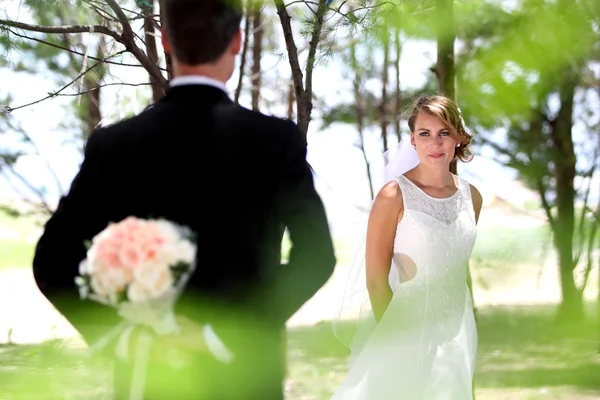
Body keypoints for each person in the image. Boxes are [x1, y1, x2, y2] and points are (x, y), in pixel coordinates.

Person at [32, 0, 336, 398]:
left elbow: (52, 261)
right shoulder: (273, 141)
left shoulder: (116, 144)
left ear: (166, 41)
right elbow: (316, 256)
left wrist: (122, 337)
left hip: (149, 379)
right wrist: (223, 332)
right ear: (237, 41)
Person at [332, 94, 482, 399]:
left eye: (444, 133)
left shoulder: (472, 197)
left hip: (458, 333)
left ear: (458, 138)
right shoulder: (393, 196)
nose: (435, 144)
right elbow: (375, 280)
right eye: (425, 134)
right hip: (405, 330)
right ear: (412, 140)